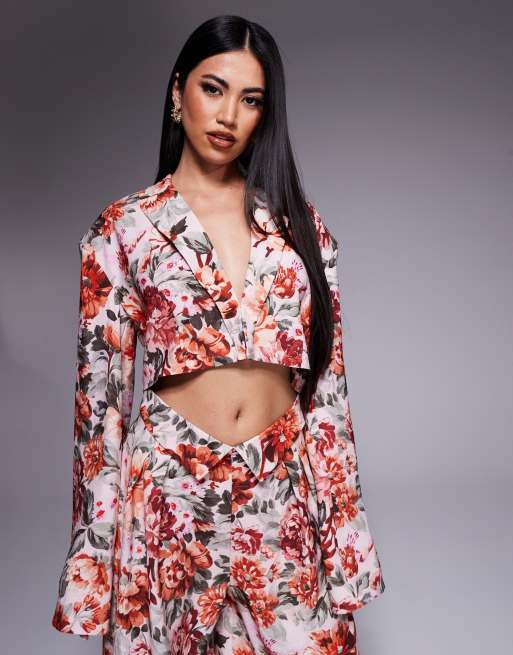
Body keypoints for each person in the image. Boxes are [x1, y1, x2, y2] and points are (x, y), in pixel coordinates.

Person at [50, 14, 386, 655]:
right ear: (178, 93)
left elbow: (328, 396)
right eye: (213, 88)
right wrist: (93, 566)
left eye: (250, 99)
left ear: (265, 114)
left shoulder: (297, 226)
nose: (228, 114)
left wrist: (345, 544)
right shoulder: (124, 228)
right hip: (169, 495)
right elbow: (100, 413)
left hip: (281, 490)